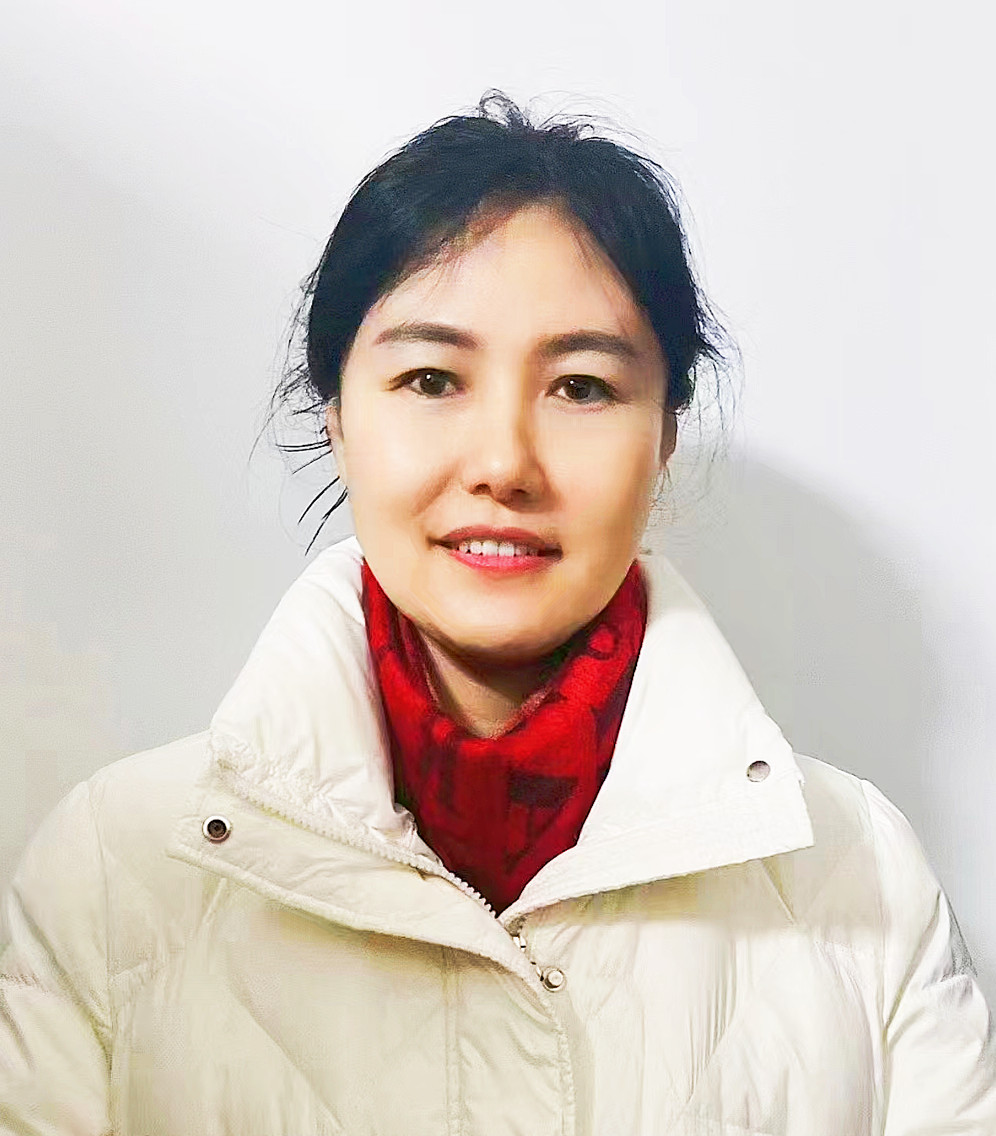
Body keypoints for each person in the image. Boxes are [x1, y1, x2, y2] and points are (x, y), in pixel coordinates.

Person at [1, 91, 993, 1135]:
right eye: (432, 378)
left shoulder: (858, 874)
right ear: (337, 417)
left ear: (665, 434)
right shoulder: (115, 869)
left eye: (582, 388)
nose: (504, 462)